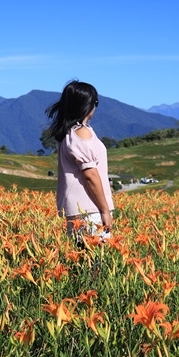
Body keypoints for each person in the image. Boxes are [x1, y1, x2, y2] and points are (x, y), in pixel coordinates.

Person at [45, 80, 114, 247]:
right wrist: (104, 210)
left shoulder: (69, 134)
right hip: (90, 211)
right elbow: (90, 175)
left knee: (83, 261)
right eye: (96, 102)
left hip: (78, 211)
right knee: (96, 263)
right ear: (88, 105)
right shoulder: (81, 134)